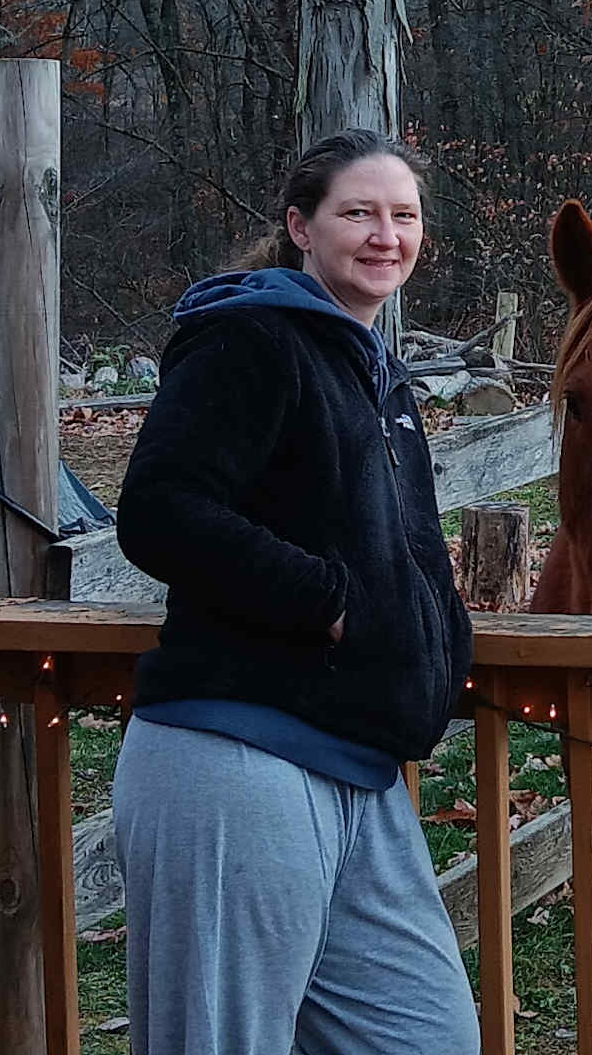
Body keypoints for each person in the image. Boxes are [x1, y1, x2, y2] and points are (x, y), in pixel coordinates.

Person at [112, 130, 475, 1054]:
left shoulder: (372, 367)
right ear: (300, 228)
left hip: (360, 765)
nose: (386, 234)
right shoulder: (249, 338)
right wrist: (330, 601)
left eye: (405, 215)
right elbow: (160, 511)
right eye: (358, 212)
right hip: (239, 753)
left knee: (426, 1037)